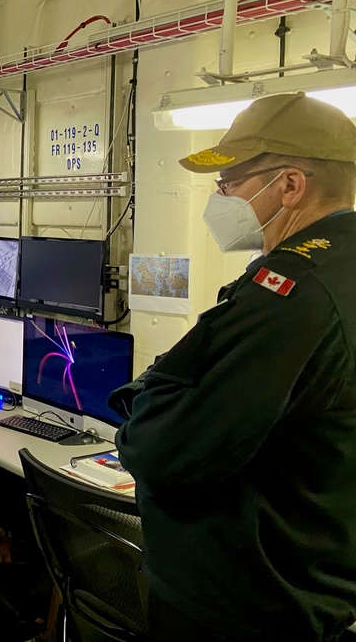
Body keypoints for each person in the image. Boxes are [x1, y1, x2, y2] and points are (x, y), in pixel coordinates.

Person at [109, 92, 356, 642]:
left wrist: (143, 412)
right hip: (315, 576)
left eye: (231, 184)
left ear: (290, 185)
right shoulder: (338, 271)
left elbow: (164, 450)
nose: (219, 198)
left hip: (244, 601)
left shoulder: (287, 296)